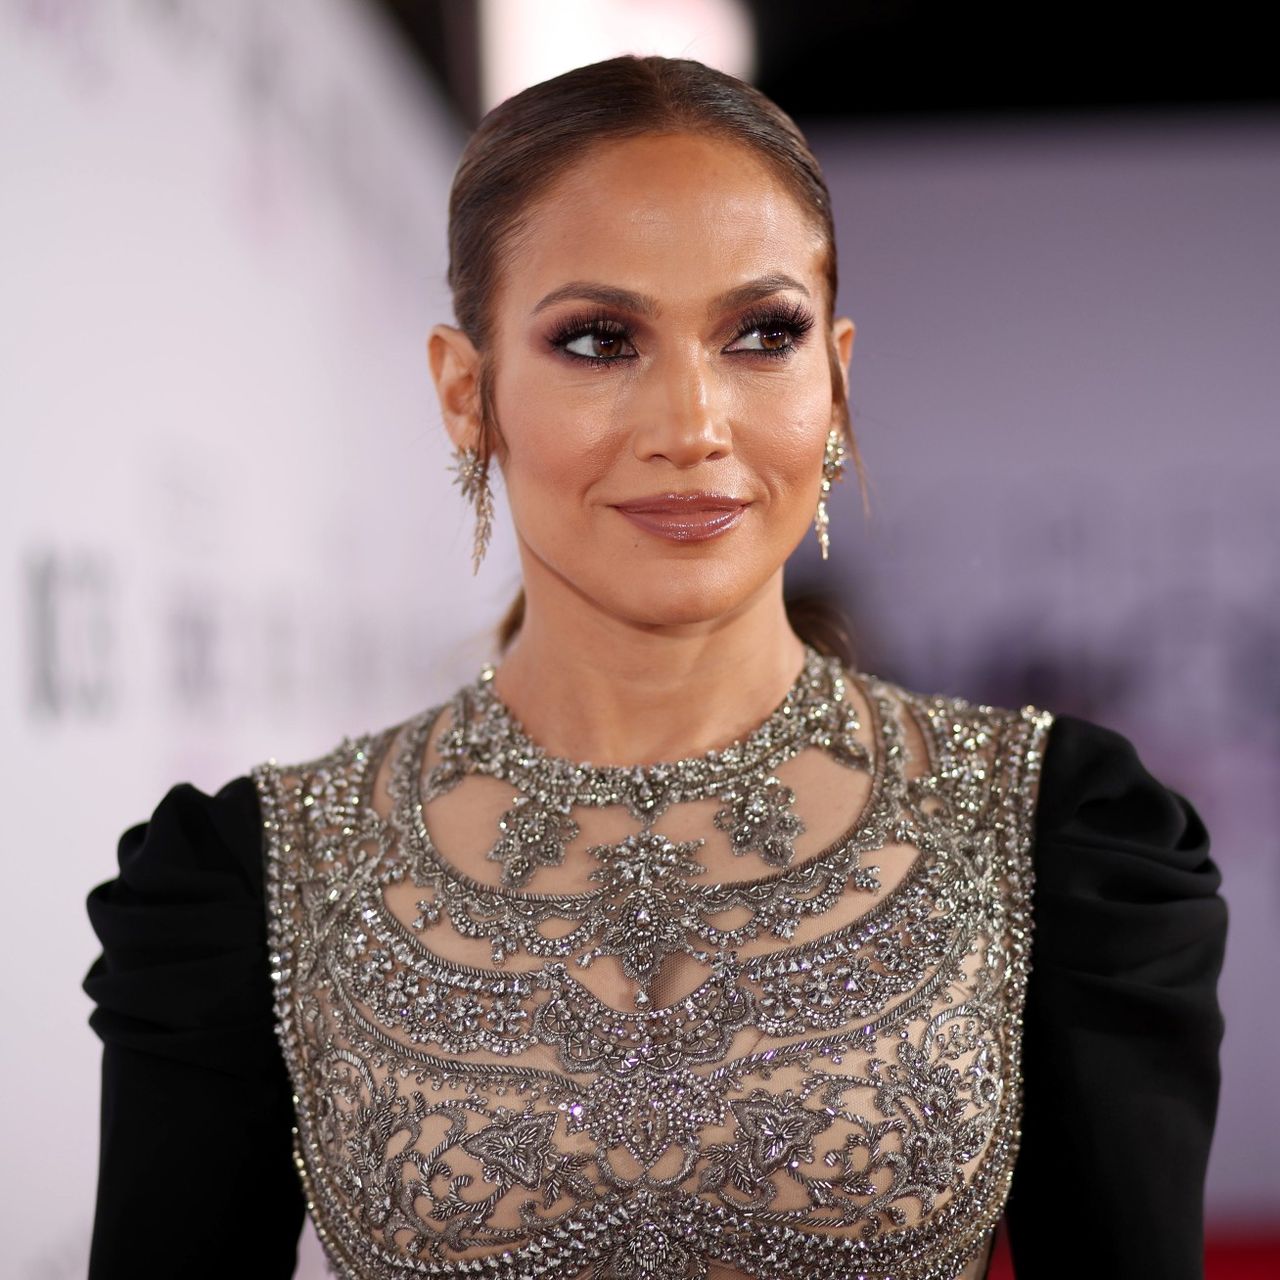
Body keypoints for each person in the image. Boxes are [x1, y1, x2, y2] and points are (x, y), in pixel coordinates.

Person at [81, 55, 1228, 1280]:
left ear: (833, 377)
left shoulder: (1054, 832)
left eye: (760, 335)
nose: (691, 424)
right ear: (468, 395)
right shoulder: (255, 876)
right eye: (597, 339)